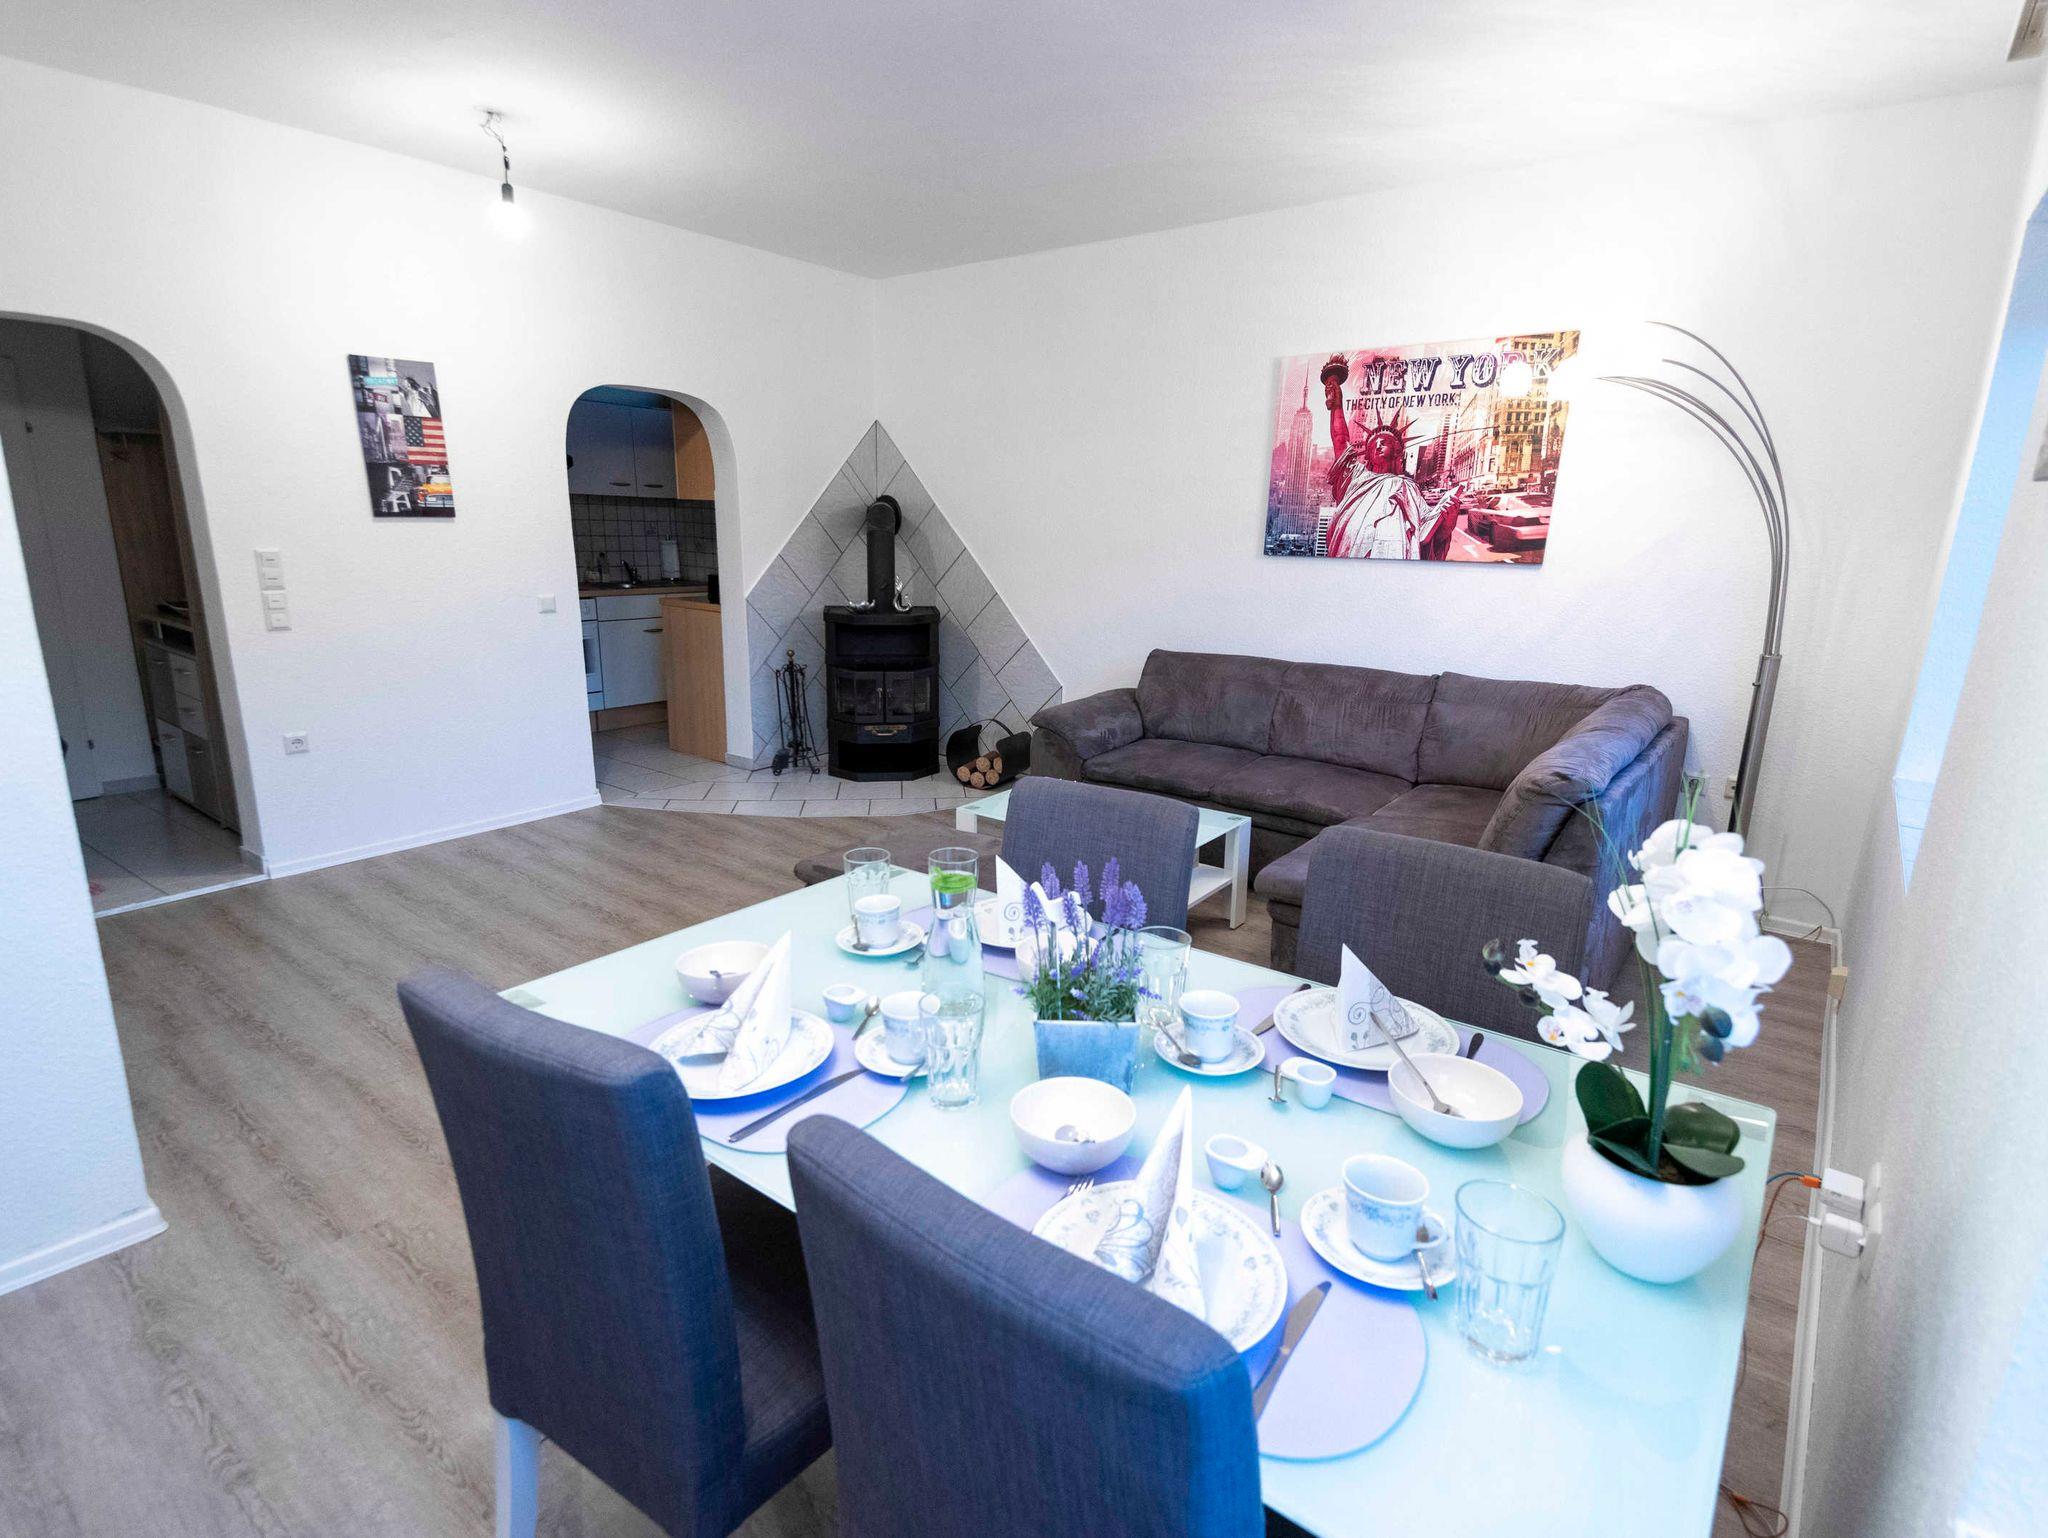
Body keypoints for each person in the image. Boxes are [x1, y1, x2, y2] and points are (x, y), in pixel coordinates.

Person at [1319, 354, 1460, 560]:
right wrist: (1336, 405)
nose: (1377, 445)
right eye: (1373, 444)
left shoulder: (1408, 487)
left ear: (1397, 452)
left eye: (1384, 442)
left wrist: (1447, 524)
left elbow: (1427, 534)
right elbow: (1340, 439)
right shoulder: (1357, 477)